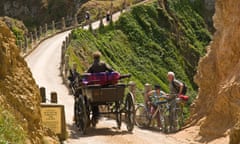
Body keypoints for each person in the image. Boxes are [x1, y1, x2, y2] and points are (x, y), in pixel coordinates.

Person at [87, 51, 114, 125]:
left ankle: (95, 117)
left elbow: (87, 75)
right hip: (105, 87)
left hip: (96, 88)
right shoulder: (104, 64)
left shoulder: (92, 66)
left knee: (93, 100)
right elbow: (111, 70)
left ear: (94, 58)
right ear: (99, 57)